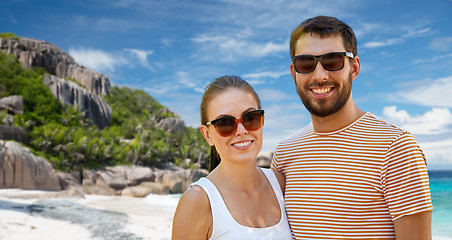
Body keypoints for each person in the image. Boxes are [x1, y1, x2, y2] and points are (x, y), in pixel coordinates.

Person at [271, 16, 433, 239]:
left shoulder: (396, 148)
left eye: (333, 61)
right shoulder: (285, 154)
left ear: (354, 68)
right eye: (306, 63)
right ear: (293, 73)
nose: (320, 75)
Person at [172, 75, 293, 240]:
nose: (241, 130)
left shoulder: (282, 184)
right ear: (207, 135)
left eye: (251, 117)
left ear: (262, 120)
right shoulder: (198, 201)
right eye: (225, 123)